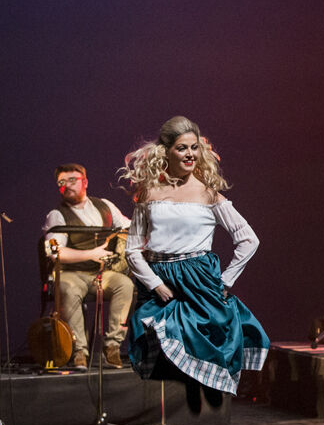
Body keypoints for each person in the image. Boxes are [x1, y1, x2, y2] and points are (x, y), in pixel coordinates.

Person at [119, 116, 269, 408]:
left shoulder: (208, 194)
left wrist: (226, 280)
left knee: (208, 340)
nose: (189, 154)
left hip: (197, 277)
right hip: (160, 278)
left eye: (194, 147)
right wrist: (156, 284)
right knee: (155, 338)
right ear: (166, 152)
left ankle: (204, 403)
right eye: (181, 148)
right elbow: (132, 250)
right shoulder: (149, 194)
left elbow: (249, 239)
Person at [43, 163, 134, 368]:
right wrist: (91, 254)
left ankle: (112, 346)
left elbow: (127, 225)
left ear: (85, 181)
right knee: (67, 288)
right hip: (71, 273)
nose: (67, 185)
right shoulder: (56, 215)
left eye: (72, 180)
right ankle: (79, 351)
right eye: (61, 182)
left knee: (125, 284)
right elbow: (54, 251)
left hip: (100, 274)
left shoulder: (104, 205)